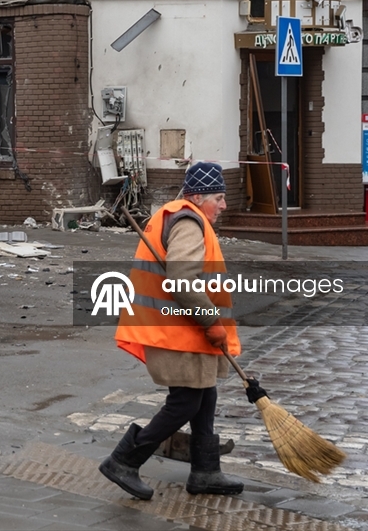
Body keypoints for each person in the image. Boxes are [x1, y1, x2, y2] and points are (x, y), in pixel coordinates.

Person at [99, 162, 267, 499]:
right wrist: (211, 322)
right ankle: (124, 460)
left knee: (204, 395)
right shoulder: (189, 223)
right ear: (200, 198)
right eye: (218, 198)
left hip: (182, 330)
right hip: (179, 331)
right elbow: (182, 281)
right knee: (186, 402)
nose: (223, 205)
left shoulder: (180, 217)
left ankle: (206, 472)